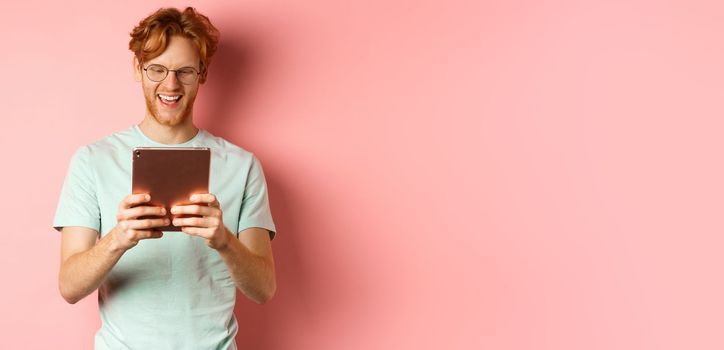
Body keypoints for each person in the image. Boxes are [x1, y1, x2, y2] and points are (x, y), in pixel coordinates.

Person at [53, 7, 277, 350]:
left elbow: (263, 289)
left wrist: (223, 240)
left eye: (185, 71)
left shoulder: (242, 166)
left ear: (202, 74)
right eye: (157, 69)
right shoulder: (92, 161)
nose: (170, 84)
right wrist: (119, 238)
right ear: (137, 70)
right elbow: (69, 286)